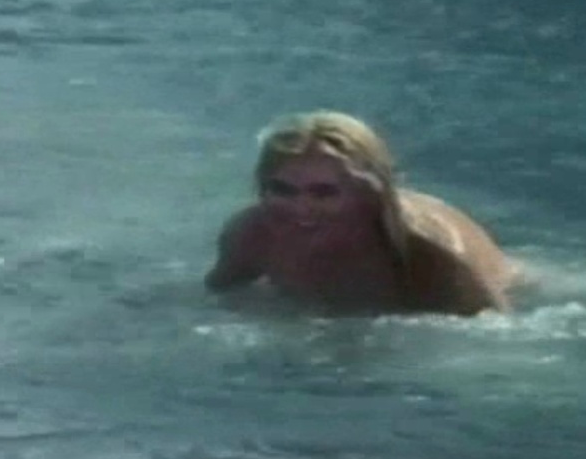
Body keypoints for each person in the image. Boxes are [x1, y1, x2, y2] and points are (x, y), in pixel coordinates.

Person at [205, 110, 519, 316]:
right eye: (282, 189)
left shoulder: (430, 249)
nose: (300, 208)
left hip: (515, 287)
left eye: (324, 192)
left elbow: (498, 335)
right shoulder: (252, 235)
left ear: (369, 192)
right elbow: (218, 298)